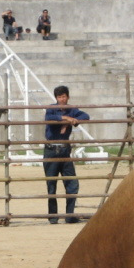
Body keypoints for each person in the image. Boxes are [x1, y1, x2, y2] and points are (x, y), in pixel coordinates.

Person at [43, 85, 89, 224]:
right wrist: (67, 119)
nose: (62, 99)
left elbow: (85, 116)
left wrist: (71, 120)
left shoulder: (72, 109)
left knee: (72, 184)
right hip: (51, 150)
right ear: (56, 98)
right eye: (59, 97)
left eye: (64, 96)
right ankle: (53, 217)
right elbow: (49, 117)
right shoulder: (51, 109)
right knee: (51, 185)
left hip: (64, 149)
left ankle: (69, 215)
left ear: (68, 97)